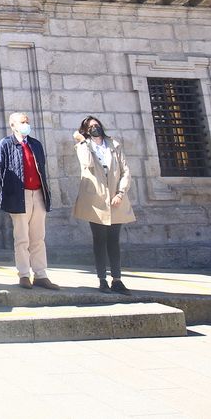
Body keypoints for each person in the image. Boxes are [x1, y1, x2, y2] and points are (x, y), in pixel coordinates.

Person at [0, 112, 58, 290]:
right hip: (19, 195)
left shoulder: (35, 144)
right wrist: (11, 190)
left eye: (27, 121)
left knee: (38, 237)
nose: (26, 124)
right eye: (22, 122)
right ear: (12, 125)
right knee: (22, 238)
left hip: (38, 194)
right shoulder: (5, 144)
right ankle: (23, 274)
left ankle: (41, 275)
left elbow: (41, 168)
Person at [72, 116, 136, 295]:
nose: (94, 128)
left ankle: (117, 280)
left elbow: (125, 171)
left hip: (116, 198)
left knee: (114, 241)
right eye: (90, 127)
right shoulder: (83, 147)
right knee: (99, 241)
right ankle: (102, 280)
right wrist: (83, 141)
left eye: (96, 125)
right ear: (85, 130)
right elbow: (87, 164)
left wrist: (121, 193)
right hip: (97, 201)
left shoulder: (114, 145)